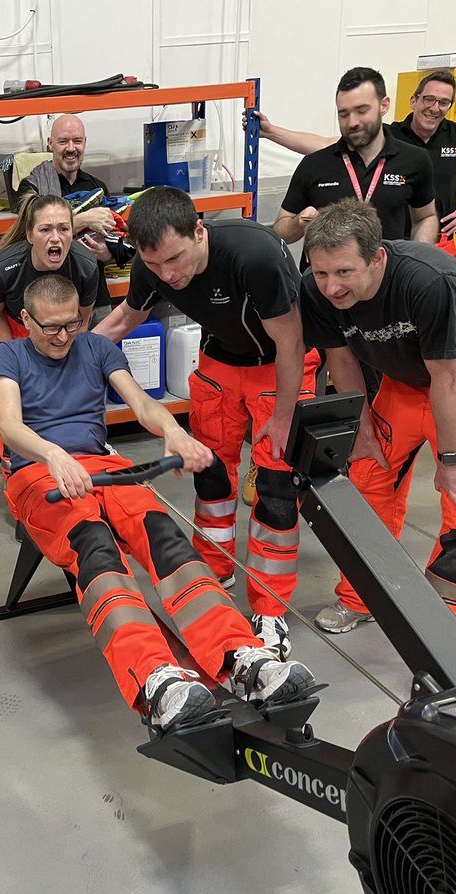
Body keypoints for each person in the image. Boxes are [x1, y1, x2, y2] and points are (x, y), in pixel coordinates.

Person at [0, 274, 316, 732]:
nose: (63, 337)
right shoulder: (8, 355)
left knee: (165, 537)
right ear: (25, 319)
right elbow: (8, 423)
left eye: (72, 325)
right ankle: (155, 679)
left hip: (102, 464)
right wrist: (54, 455)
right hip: (38, 472)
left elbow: (141, 404)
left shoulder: (97, 348)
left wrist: (175, 432)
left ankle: (238, 655)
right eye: (50, 328)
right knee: (95, 547)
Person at [94, 187, 319, 660]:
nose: (168, 276)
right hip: (219, 366)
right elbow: (122, 321)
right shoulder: (151, 264)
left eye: (175, 259)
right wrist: (59, 358)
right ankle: (215, 574)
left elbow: (292, 343)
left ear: (199, 231)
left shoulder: (253, 254)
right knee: (211, 476)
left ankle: (270, 609)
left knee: (277, 494)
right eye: (155, 266)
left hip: (278, 367)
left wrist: (282, 417)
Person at [299, 199, 456, 644]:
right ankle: (363, 598)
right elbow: (340, 360)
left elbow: (448, 377)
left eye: (344, 272)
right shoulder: (315, 289)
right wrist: (361, 427)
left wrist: (451, 459)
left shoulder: (427, 281)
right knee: (367, 478)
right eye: (322, 272)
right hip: (405, 377)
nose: (331, 287)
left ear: (377, 256)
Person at [256, 70, 456, 238]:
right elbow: (324, 144)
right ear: (414, 100)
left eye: (443, 102)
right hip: (380, 239)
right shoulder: (388, 136)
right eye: (428, 99)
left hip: (434, 239)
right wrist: (271, 132)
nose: (434, 108)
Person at [273, 67, 439, 249]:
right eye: (343, 114)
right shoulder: (314, 164)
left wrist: (414, 259)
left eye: (361, 111)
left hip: (387, 275)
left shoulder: (414, 160)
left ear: (384, 105)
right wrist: (299, 222)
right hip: (325, 276)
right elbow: (280, 231)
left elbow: (425, 217)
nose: (352, 122)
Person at [0, 193, 106, 349]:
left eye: (64, 229)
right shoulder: (3, 266)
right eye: (45, 229)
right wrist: (11, 354)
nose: (55, 237)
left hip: (62, 334)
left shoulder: (85, 267)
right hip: (13, 331)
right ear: (30, 235)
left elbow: (81, 323)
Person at [16, 113, 119, 236]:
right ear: (50, 143)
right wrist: (82, 220)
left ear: (85, 142)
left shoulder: (97, 187)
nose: (71, 148)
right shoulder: (31, 188)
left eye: (77, 141)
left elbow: (112, 232)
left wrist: (106, 253)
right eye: (63, 141)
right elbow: (28, 236)